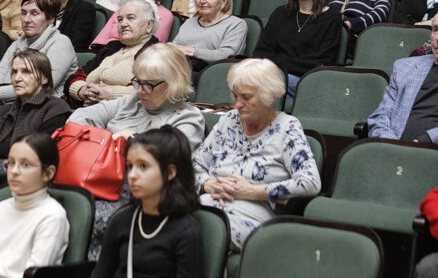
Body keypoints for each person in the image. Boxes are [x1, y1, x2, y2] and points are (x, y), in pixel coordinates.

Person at [68, 43, 205, 259]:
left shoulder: (188, 117)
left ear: (173, 83)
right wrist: (109, 142)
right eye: (137, 82)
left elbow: (167, 157)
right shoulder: (133, 101)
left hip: (143, 195)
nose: (140, 90)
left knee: (94, 217)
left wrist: (129, 140)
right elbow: (77, 120)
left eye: (149, 85)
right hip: (102, 180)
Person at [193, 58, 321, 250]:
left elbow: (310, 183)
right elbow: (195, 166)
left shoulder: (287, 127)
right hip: (206, 205)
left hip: (254, 215)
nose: (238, 104)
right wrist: (208, 184)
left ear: (268, 96)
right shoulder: (228, 120)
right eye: (235, 96)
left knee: (202, 233)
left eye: (246, 97)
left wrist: (253, 192)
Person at [91, 126, 203, 278]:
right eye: (130, 166)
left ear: (170, 172)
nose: (132, 175)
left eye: (143, 166)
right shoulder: (121, 220)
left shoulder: (187, 231)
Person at [0, 133, 69, 278]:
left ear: (48, 173)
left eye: (25, 164)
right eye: (11, 162)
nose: (14, 171)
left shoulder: (52, 216)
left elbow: (32, 274)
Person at [0, 50, 70, 188]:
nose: (17, 78)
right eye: (14, 72)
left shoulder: (56, 108)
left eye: (25, 72)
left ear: (44, 78)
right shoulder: (3, 110)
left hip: (27, 183)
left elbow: (41, 154)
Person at [254, 0, 342, 97]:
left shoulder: (331, 18)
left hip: (305, 81)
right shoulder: (280, 14)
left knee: (258, 85)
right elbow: (260, 52)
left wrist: (278, 65)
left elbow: (320, 62)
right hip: (272, 75)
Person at [65, 0, 159, 106]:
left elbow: (152, 90)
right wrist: (82, 90)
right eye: (120, 19)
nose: (123, 24)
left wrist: (112, 94)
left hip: (123, 115)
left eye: (131, 18)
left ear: (149, 25)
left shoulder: (156, 52)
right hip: (87, 109)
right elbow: (77, 75)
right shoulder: (111, 47)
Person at [0, 0, 76, 103]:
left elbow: (42, 88)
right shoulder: (17, 43)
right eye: (24, 13)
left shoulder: (60, 43)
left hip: (44, 108)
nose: (26, 20)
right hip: (10, 103)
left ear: (51, 19)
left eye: (34, 13)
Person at [367, 14, 438, 144]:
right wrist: (392, 145)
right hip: (392, 149)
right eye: (436, 30)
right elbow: (380, 116)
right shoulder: (405, 68)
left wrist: (424, 141)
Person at [171, 0, 246, 78]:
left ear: (224, 1)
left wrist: (191, 51)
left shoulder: (236, 24)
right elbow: (174, 48)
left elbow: (225, 56)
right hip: (179, 68)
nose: (202, 0)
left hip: (210, 74)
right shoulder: (189, 22)